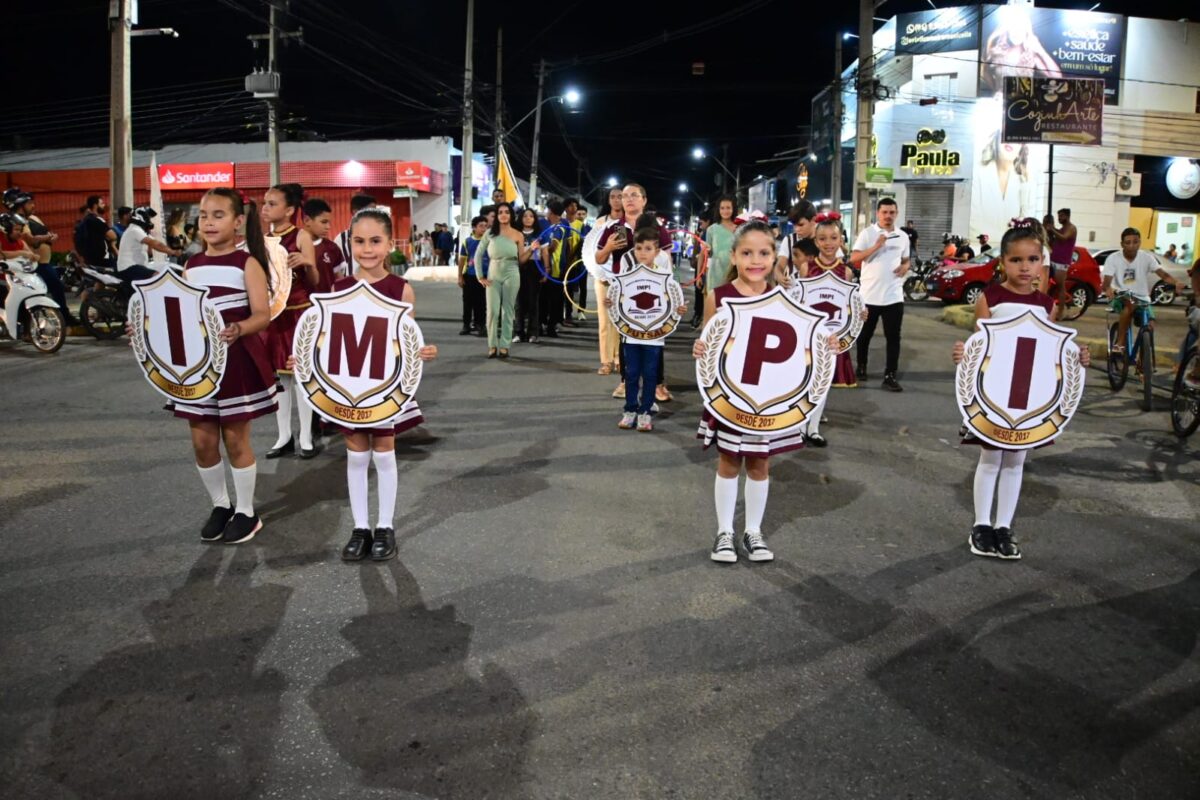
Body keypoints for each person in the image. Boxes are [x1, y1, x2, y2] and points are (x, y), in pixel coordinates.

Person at [952, 224, 1090, 560]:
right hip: (995, 396)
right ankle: (981, 525)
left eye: (1032, 259)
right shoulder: (990, 298)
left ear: (1042, 262)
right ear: (1003, 262)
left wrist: (1077, 357)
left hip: (1029, 398)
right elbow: (980, 346)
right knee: (990, 458)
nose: (1024, 267)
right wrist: (963, 353)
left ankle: (1004, 526)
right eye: (1016, 260)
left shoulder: (1047, 305)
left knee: (1016, 462)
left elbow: (1051, 352)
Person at [691, 218, 811, 564]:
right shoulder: (718, 296)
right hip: (731, 398)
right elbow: (709, 344)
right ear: (733, 256)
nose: (755, 261)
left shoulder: (785, 299)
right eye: (746, 253)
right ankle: (724, 532)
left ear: (774, 257)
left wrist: (824, 346)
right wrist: (700, 349)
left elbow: (803, 348)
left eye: (763, 253)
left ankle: (753, 531)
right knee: (729, 462)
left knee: (760, 464)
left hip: (768, 400)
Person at [168, 189, 278, 545]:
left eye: (218, 215)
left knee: (234, 439)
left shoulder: (247, 263)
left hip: (235, 360)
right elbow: (180, 313)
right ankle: (220, 505)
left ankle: (246, 512)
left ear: (238, 221)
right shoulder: (191, 265)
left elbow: (262, 315)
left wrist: (239, 328)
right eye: (203, 215)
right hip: (197, 364)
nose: (209, 222)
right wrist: (147, 331)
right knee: (202, 441)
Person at [328, 209, 438, 562]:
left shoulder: (400, 289)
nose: (367, 249)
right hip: (350, 386)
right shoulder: (339, 288)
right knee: (356, 454)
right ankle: (360, 527)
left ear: (390, 244)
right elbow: (328, 338)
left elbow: (407, 338)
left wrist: (422, 351)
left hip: (385, 386)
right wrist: (307, 360)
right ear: (350, 243)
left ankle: (385, 526)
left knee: (385, 452)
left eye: (375, 241)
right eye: (359, 241)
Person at [607, 222, 687, 432]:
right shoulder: (627, 275)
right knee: (631, 372)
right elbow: (618, 298)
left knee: (651, 373)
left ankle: (645, 411)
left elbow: (671, 300)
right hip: (631, 334)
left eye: (648, 248)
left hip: (654, 335)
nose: (643, 252)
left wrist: (678, 310)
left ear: (657, 251)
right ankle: (630, 409)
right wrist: (611, 302)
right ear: (634, 249)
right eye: (639, 248)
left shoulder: (664, 276)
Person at [595, 184, 673, 399]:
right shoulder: (614, 228)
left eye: (634, 195)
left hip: (654, 292)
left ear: (644, 200)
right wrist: (609, 247)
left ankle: (658, 384)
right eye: (625, 196)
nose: (629, 199)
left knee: (655, 338)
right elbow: (599, 258)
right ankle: (625, 383)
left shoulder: (656, 227)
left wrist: (668, 290)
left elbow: (667, 259)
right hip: (625, 292)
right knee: (626, 339)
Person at [261, 183, 320, 459]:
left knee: (301, 374)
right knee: (279, 378)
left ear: (289, 210)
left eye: (272, 203)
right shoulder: (262, 239)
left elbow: (315, 280)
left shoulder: (301, 235)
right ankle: (283, 435)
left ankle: (306, 436)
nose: (265, 208)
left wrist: (306, 262)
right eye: (265, 203)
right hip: (274, 315)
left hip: (299, 312)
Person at [800, 213, 866, 447]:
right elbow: (798, 300)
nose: (828, 243)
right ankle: (800, 426)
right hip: (808, 335)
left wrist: (860, 313)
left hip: (832, 337)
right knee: (806, 379)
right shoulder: (806, 268)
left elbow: (851, 303)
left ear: (841, 240)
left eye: (833, 238)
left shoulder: (846, 272)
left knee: (824, 380)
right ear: (816, 241)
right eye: (823, 238)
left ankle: (814, 428)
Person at [851, 198, 910, 391]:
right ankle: (861, 366)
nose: (888, 216)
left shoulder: (902, 236)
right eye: (884, 212)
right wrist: (876, 246)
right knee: (864, 335)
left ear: (897, 213)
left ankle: (890, 375)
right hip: (869, 296)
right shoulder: (868, 233)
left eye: (892, 212)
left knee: (893, 337)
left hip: (893, 296)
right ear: (878, 213)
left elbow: (906, 260)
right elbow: (854, 258)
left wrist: (905, 267)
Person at [1102, 227, 1186, 354]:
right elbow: (1107, 282)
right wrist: (1108, 289)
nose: (1132, 246)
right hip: (1119, 296)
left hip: (1141, 299)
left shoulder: (1147, 258)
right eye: (1128, 242)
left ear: (1140, 242)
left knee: (1150, 324)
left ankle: (1143, 359)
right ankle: (1119, 343)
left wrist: (1176, 283)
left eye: (1135, 242)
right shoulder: (1113, 259)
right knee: (1130, 305)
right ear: (1122, 244)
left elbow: (1163, 275)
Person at [476, 202, 538, 358]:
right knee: (492, 311)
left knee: (508, 311)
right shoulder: (489, 233)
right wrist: (480, 276)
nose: (503, 215)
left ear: (511, 215)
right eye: (500, 212)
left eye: (507, 212)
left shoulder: (518, 234)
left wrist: (531, 250)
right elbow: (478, 255)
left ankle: (504, 345)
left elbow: (521, 259)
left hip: (512, 272)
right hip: (493, 273)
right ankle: (492, 345)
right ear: (497, 216)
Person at [5, 189, 72, 323]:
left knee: (52, 288)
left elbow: (43, 234)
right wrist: (47, 237)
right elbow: (30, 240)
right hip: (33, 264)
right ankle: (61, 318)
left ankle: (58, 318)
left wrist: (49, 237)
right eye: (29, 203)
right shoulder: (16, 223)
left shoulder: (33, 218)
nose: (33, 205)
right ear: (19, 205)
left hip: (42, 262)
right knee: (52, 288)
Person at [591, 185, 626, 374]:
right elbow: (592, 250)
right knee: (604, 321)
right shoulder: (600, 222)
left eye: (620, 196)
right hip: (602, 276)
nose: (616, 200)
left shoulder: (629, 222)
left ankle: (619, 358)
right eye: (613, 196)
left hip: (623, 278)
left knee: (620, 320)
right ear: (608, 200)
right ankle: (606, 361)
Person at [115, 206, 180, 280]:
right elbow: (155, 244)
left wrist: (172, 249)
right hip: (129, 268)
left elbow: (156, 245)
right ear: (142, 217)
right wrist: (172, 252)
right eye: (149, 218)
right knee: (158, 276)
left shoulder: (140, 231)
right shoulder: (135, 229)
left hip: (137, 266)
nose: (150, 220)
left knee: (163, 269)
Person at [539, 200, 569, 338]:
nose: (546, 213)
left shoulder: (559, 228)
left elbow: (553, 247)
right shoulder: (548, 227)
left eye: (547, 211)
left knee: (554, 300)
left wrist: (541, 251)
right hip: (545, 269)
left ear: (552, 213)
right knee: (543, 299)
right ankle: (542, 325)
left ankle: (551, 327)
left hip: (555, 269)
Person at [302, 198, 344, 294]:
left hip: (327, 301)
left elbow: (339, 279)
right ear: (307, 220)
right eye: (324, 222)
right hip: (302, 302)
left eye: (329, 222)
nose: (328, 227)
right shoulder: (292, 247)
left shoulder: (332, 248)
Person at [515, 208, 543, 342]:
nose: (528, 218)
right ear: (520, 218)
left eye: (531, 216)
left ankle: (533, 333)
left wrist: (546, 270)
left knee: (533, 302)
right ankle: (518, 332)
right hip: (518, 268)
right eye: (525, 216)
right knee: (519, 303)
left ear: (535, 219)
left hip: (534, 268)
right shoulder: (516, 234)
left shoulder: (539, 234)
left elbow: (545, 252)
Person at [457, 215, 488, 336]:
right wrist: (460, 276)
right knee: (468, 302)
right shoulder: (468, 242)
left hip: (485, 276)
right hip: (470, 276)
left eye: (486, 226)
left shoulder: (490, 242)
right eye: (481, 226)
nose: (484, 229)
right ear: (474, 228)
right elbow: (462, 260)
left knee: (481, 302)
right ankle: (466, 325)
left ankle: (481, 325)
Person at [775, 199, 818, 282]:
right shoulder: (789, 240)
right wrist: (779, 276)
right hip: (793, 287)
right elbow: (780, 265)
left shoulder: (825, 241)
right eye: (794, 225)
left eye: (801, 225)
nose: (796, 229)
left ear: (813, 220)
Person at [336, 193, 376, 277]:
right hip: (350, 284)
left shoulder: (378, 237)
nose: (375, 215)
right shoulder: (341, 239)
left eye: (375, 212)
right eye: (371, 211)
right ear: (356, 212)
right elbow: (337, 271)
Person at [704, 196, 738, 291]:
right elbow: (708, 254)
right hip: (716, 273)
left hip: (735, 272)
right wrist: (707, 250)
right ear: (718, 210)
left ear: (733, 209)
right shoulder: (711, 229)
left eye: (728, 208)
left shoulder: (739, 229)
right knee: (715, 298)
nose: (725, 211)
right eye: (722, 208)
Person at [561, 198, 586, 327]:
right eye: (571, 205)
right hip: (561, 262)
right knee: (559, 291)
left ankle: (569, 315)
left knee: (570, 290)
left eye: (575, 205)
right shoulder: (561, 223)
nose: (574, 208)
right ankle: (559, 316)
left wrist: (572, 257)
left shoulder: (580, 225)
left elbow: (581, 242)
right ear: (565, 208)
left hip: (573, 263)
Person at [1043, 208, 1076, 306]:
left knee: (1060, 287)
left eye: (1061, 216)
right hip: (1054, 259)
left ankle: (1061, 310)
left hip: (1062, 262)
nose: (1059, 218)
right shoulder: (1062, 228)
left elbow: (1064, 238)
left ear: (1067, 216)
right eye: (1058, 216)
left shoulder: (1071, 228)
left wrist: (1052, 229)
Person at [78, 195, 118, 268]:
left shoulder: (84, 221)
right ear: (95, 206)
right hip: (102, 259)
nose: (104, 205)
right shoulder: (97, 220)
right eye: (101, 203)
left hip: (89, 258)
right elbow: (113, 236)